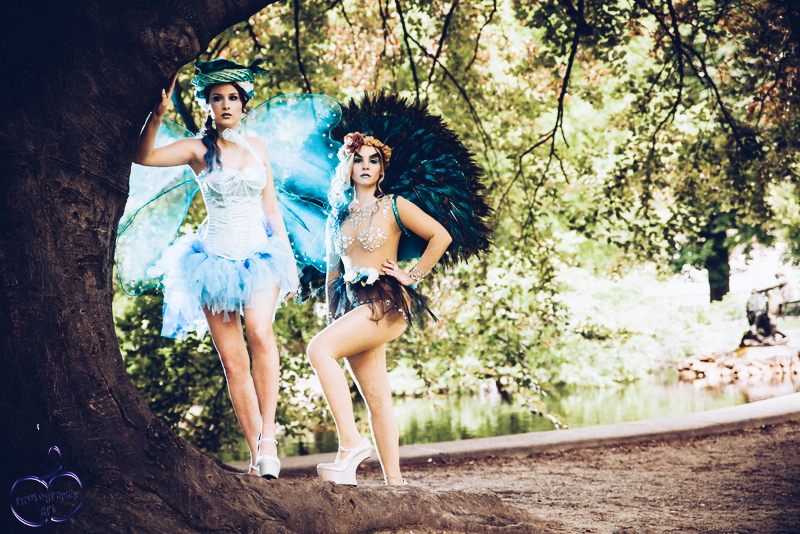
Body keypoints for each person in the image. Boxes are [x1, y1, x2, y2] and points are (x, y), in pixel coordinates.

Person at [133, 60, 299, 478]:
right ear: (208, 105)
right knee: (233, 360)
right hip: (213, 263)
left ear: (244, 105)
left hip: (261, 257)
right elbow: (143, 156)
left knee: (260, 333)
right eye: (217, 98)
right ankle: (257, 454)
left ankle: (269, 438)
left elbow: (271, 208)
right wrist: (157, 115)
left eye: (233, 98)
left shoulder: (257, 147)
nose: (226, 104)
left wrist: (289, 259)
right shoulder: (197, 149)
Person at [307, 132, 452, 486]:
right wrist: (332, 316)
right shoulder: (337, 215)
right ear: (348, 166)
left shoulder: (394, 205)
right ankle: (396, 484)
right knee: (377, 398)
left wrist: (412, 275)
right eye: (358, 159)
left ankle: (350, 444)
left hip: (386, 303)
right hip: (352, 306)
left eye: (374, 160)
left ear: (382, 170)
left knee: (318, 349)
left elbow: (441, 236)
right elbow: (333, 271)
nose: (366, 166)